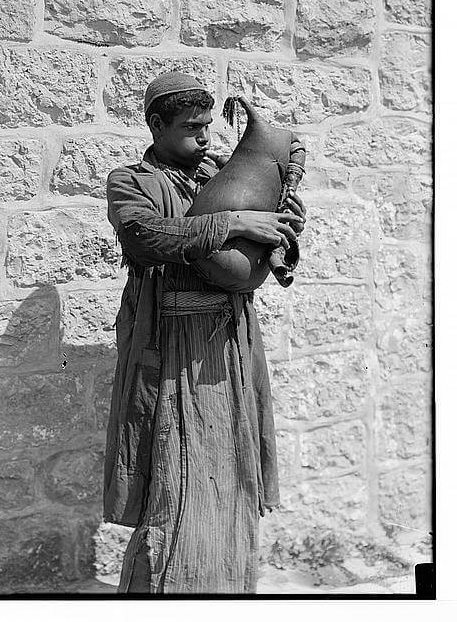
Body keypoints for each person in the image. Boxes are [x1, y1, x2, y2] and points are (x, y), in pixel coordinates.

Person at [102, 71, 306, 594]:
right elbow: (144, 236)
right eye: (193, 127)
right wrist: (234, 222)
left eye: (209, 125)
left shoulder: (219, 173)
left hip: (231, 344)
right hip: (171, 349)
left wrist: (283, 229)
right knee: (175, 479)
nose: (206, 137)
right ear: (155, 124)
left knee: (233, 473)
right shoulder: (130, 182)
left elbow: (262, 250)